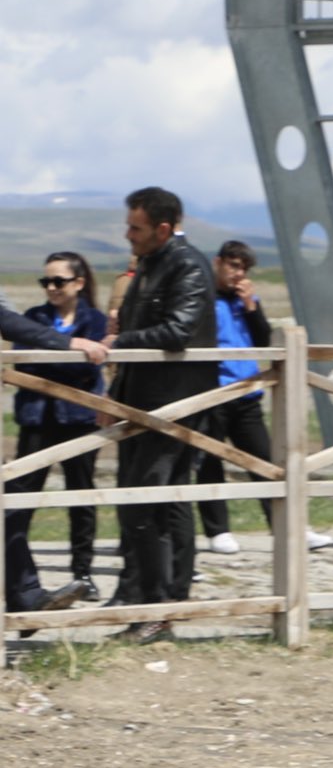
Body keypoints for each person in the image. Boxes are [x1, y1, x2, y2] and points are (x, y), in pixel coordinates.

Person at [108, 188, 217, 642]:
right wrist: (114, 397)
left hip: (174, 405)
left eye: (135, 227)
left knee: (146, 504)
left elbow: (178, 331)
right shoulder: (151, 264)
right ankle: (154, 604)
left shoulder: (186, 265)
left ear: (163, 228)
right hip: (143, 403)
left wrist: (118, 342)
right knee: (161, 504)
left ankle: (158, 609)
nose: (128, 235)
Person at [193, 240, 333, 558]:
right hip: (213, 392)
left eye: (243, 269)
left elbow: (264, 340)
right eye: (233, 266)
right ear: (218, 263)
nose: (238, 274)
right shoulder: (203, 297)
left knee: (268, 463)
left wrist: (252, 308)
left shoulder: (247, 300)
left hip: (247, 392)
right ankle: (218, 531)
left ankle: (289, 527)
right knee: (209, 464)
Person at [3, 254, 111, 613]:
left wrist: (51, 353)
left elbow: (86, 370)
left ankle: (80, 573)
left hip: (77, 419)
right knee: (18, 498)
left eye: (58, 281)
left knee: (80, 495)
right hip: (37, 419)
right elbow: (23, 356)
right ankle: (23, 587)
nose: (51, 287)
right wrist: (67, 347)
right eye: (45, 281)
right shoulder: (34, 316)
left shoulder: (94, 319)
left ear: (78, 283)